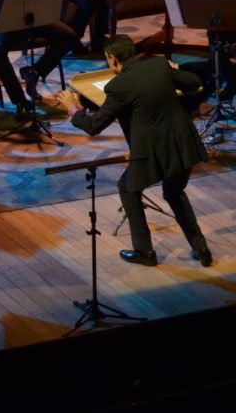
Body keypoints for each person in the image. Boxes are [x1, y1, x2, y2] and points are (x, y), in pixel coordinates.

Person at [56, 34, 213, 267]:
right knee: (174, 192)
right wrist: (174, 70)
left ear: (112, 59)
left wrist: (73, 108)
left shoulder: (118, 86)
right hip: (183, 144)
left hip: (153, 152)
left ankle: (144, 252)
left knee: (128, 189)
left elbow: (94, 125)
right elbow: (193, 83)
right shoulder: (159, 65)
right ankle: (201, 249)